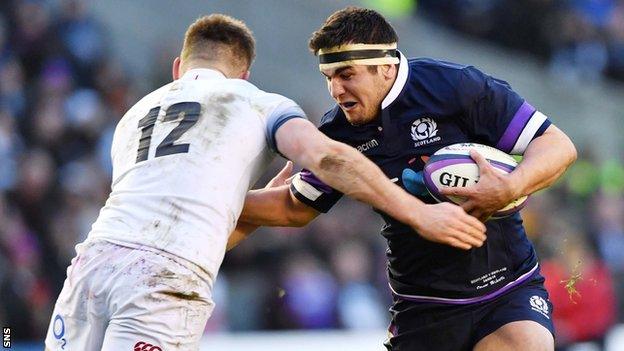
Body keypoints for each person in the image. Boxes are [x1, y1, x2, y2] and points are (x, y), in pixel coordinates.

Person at [43, 13, 485, 351]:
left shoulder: (135, 116)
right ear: (244, 74)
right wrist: (418, 213)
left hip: (90, 266)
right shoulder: (256, 102)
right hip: (162, 282)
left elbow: (179, 212)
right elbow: (329, 156)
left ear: (179, 67)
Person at [234, 7, 577, 351]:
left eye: (346, 74)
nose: (336, 90)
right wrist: (219, 199)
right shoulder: (336, 133)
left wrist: (510, 187)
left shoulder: (455, 87)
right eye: (329, 77)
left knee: (527, 344)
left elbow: (557, 145)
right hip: (424, 306)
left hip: (507, 287)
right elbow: (296, 209)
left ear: (385, 66)